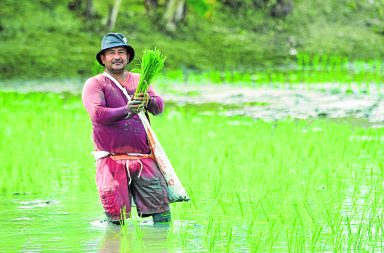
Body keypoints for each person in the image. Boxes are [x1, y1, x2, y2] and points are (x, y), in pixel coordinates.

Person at [82, 32, 171, 225]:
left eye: (121, 52)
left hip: (143, 159)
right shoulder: (95, 84)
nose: (117, 56)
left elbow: (159, 108)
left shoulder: (140, 80)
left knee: (162, 215)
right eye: (111, 52)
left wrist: (148, 100)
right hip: (110, 162)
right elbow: (97, 114)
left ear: (128, 57)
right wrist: (127, 109)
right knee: (116, 220)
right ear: (103, 58)